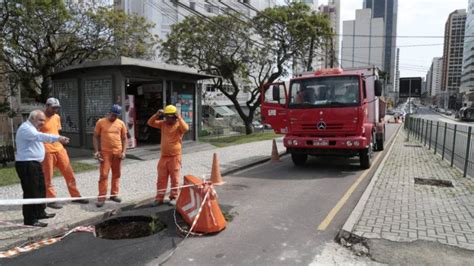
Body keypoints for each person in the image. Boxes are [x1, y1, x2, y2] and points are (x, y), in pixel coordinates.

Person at [15, 110, 70, 227]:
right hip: (27, 164)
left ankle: (40, 212)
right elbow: (39, 137)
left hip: (35, 163)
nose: (42, 123)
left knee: (40, 189)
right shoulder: (26, 128)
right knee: (31, 192)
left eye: (44, 120)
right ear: (32, 118)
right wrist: (57, 138)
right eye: (40, 120)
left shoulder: (33, 128)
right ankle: (30, 219)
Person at [41, 98, 88, 209]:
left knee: (69, 174)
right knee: (48, 176)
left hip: (60, 149)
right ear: (47, 106)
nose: (55, 110)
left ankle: (76, 196)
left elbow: (57, 132)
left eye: (57, 108)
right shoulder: (40, 118)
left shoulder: (57, 117)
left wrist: (62, 140)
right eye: (53, 108)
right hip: (47, 151)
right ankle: (50, 199)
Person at [147, 105, 189, 206]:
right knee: (161, 178)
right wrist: (157, 114)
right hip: (164, 156)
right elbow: (150, 123)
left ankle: (174, 197)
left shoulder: (179, 125)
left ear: (174, 116)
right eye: (166, 116)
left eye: (169, 117)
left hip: (175, 157)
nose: (167, 119)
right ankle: (159, 198)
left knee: (175, 178)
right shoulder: (163, 124)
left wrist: (179, 117)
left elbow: (186, 128)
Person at [93, 104, 127, 208]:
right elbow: (95, 136)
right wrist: (96, 151)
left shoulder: (121, 123)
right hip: (105, 153)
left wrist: (124, 152)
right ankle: (101, 197)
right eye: (113, 115)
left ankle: (114, 194)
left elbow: (124, 138)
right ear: (109, 112)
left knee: (117, 174)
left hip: (117, 153)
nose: (114, 117)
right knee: (103, 175)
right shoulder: (101, 122)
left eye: (116, 116)